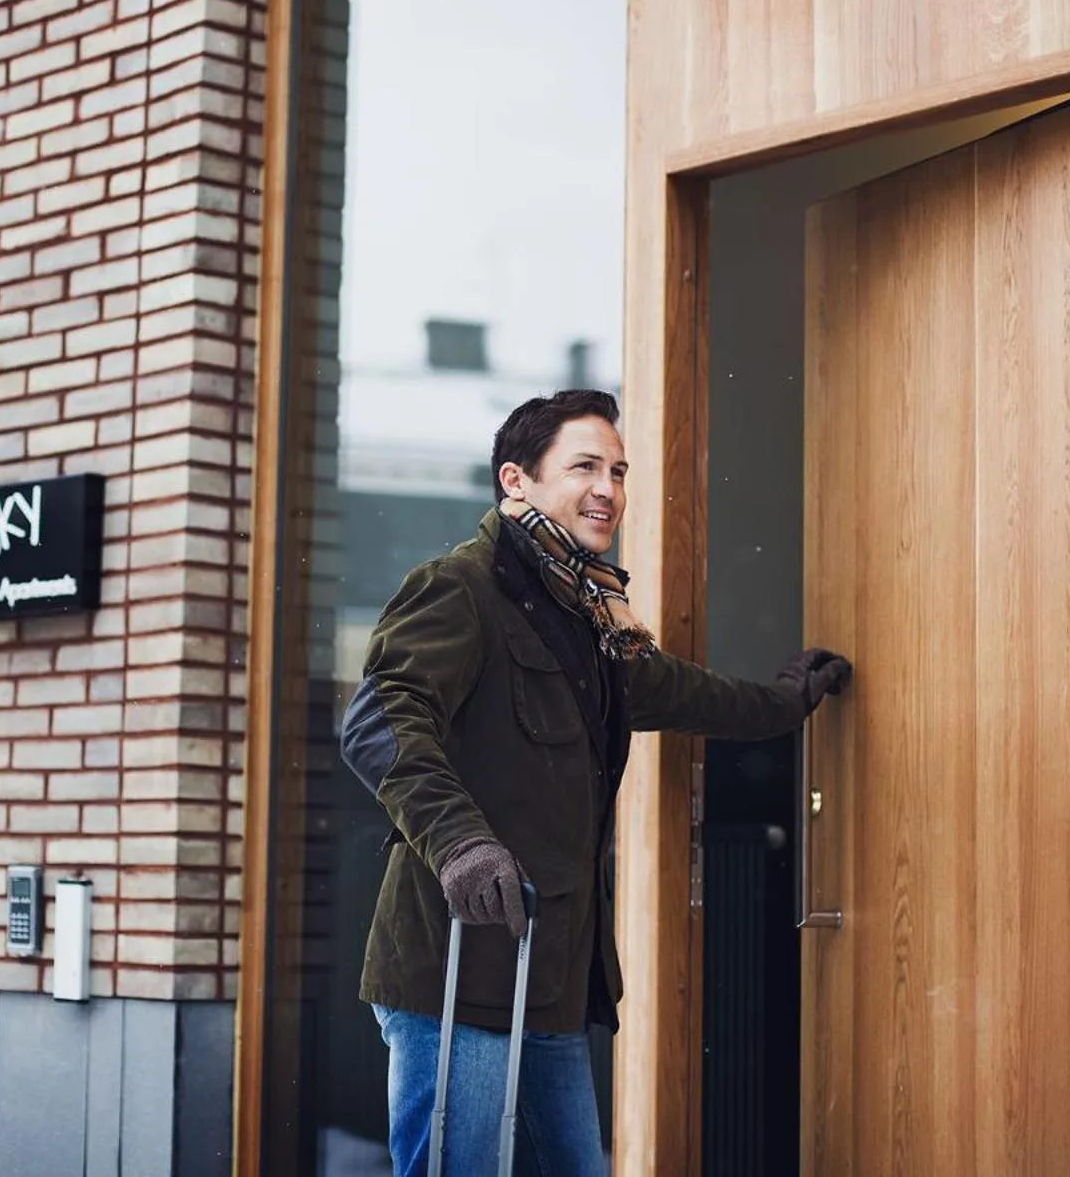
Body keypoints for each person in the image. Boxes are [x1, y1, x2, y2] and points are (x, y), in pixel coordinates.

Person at [340, 388, 852, 1176]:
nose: (608, 487)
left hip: (552, 977)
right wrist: (461, 844)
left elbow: (684, 692)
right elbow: (378, 721)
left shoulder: (590, 617)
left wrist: (787, 702)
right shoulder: (462, 588)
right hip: (461, 968)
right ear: (517, 480)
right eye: (584, 465)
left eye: (618, 469)